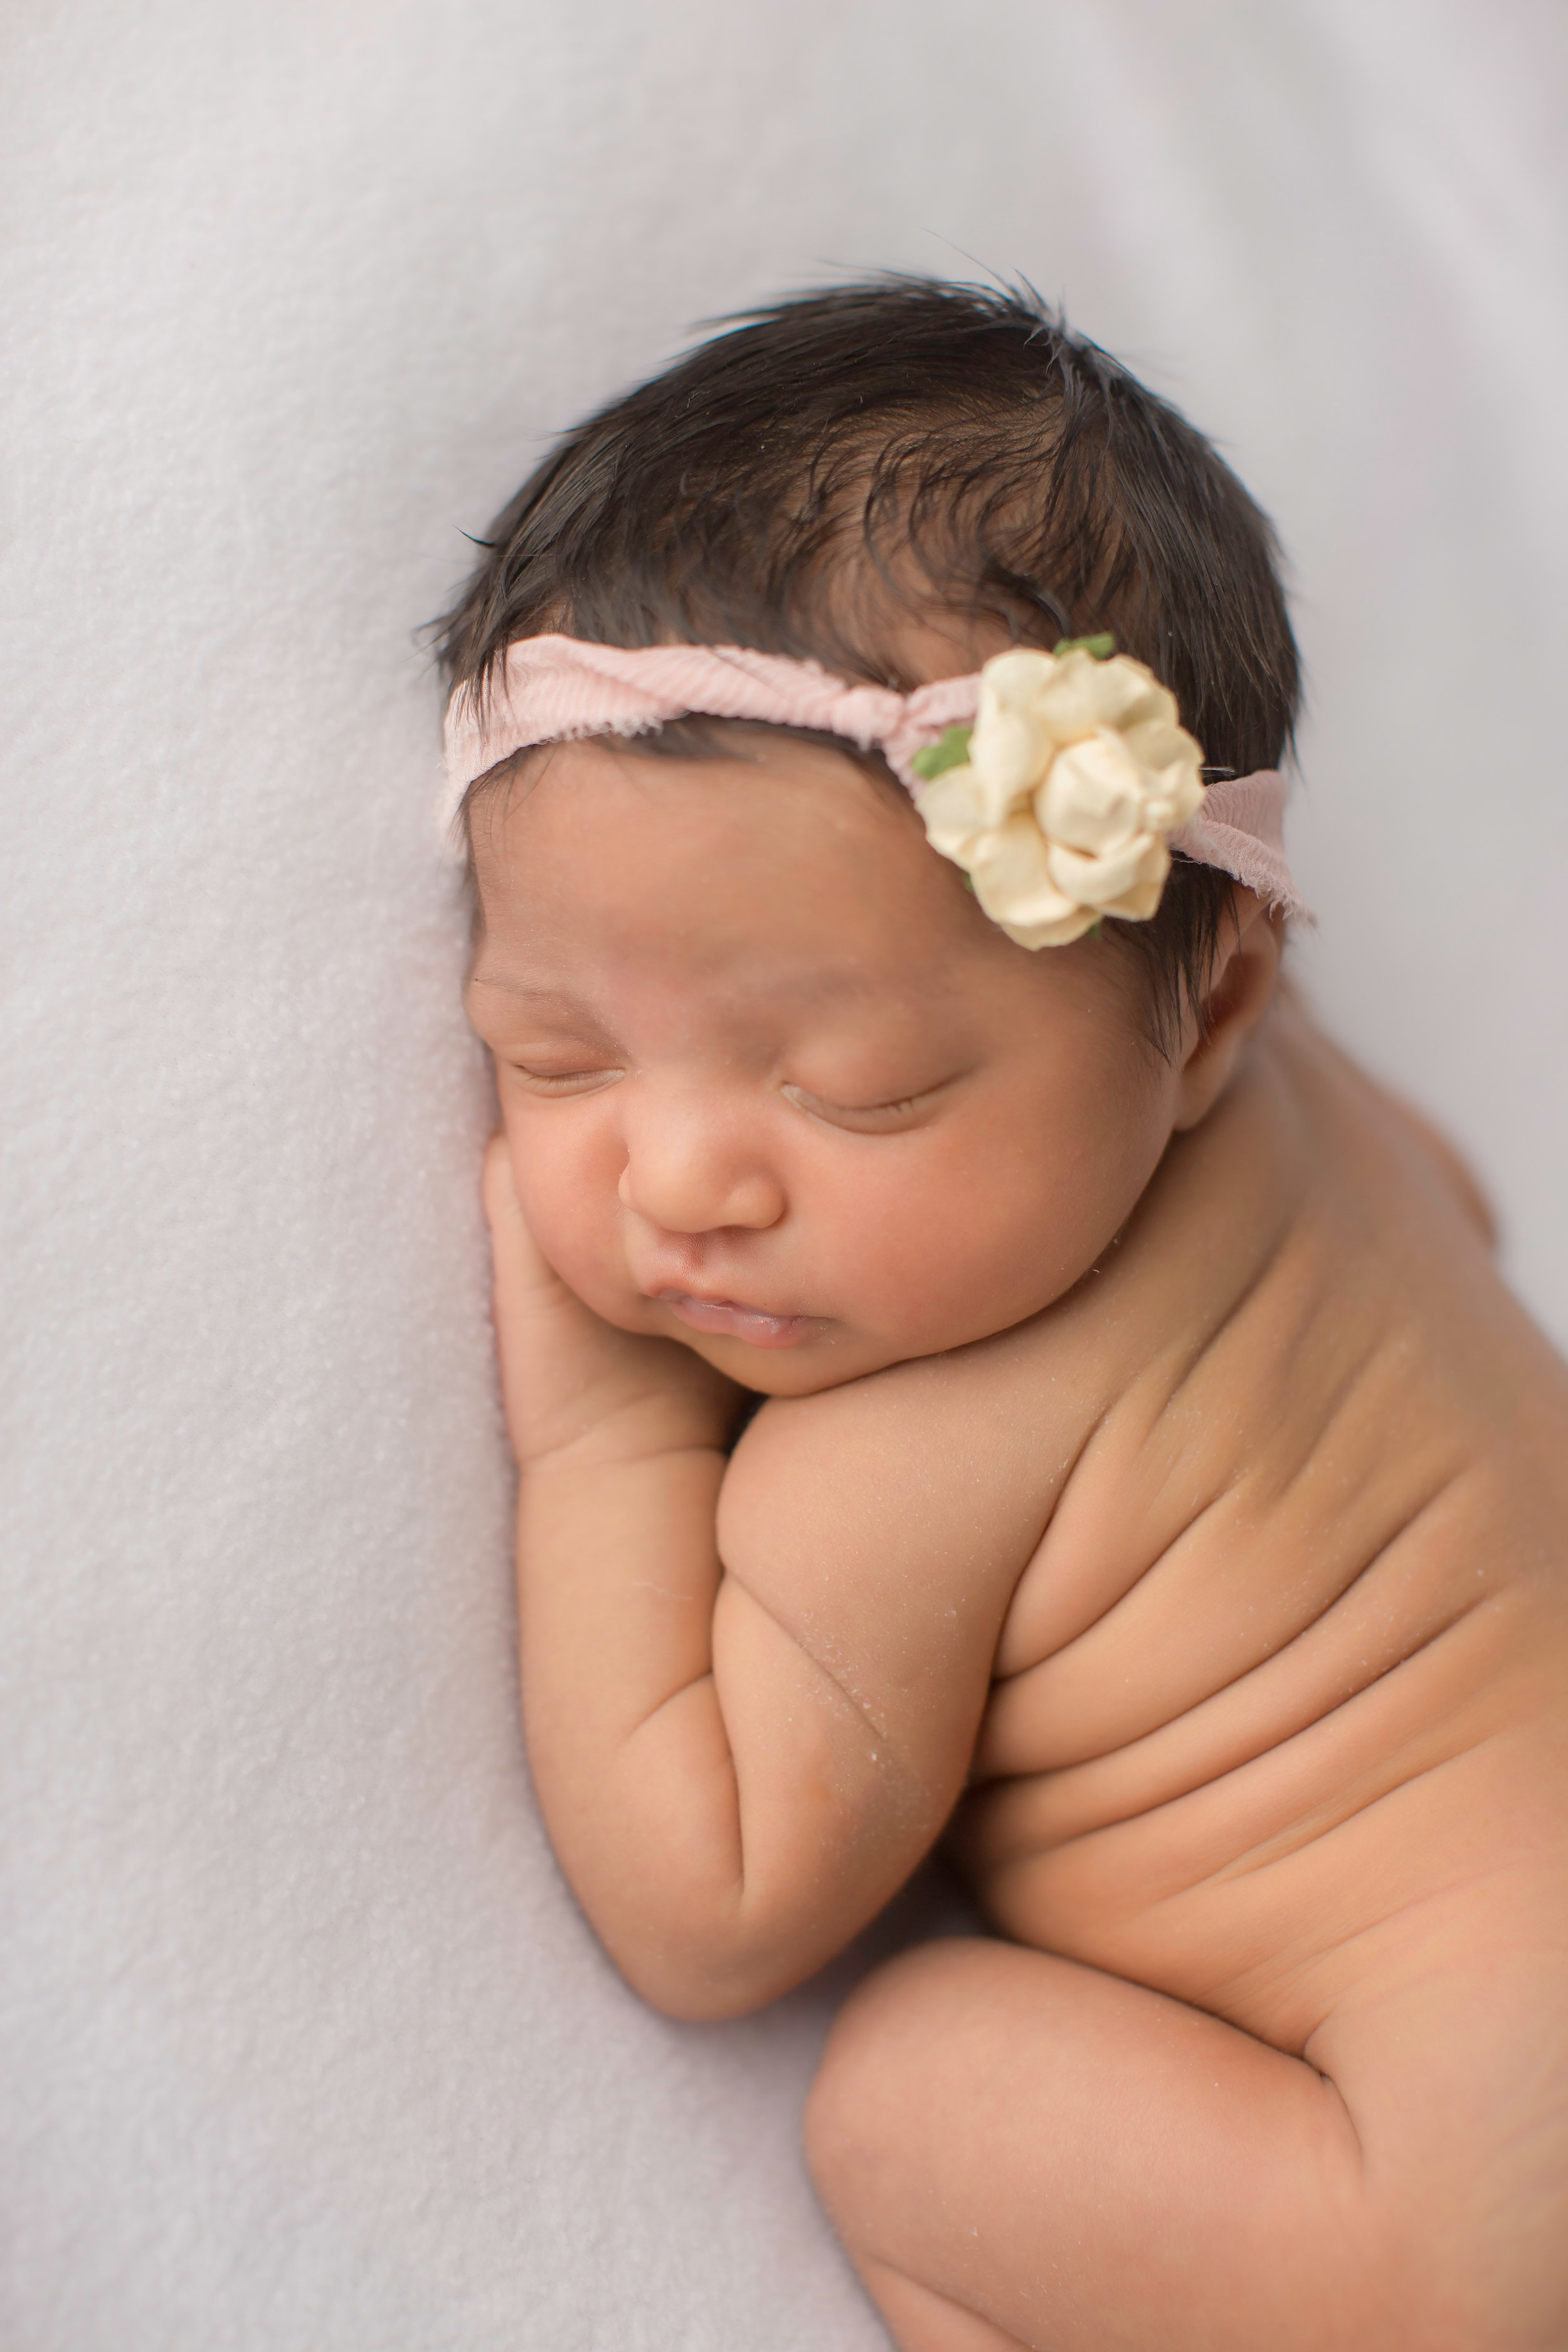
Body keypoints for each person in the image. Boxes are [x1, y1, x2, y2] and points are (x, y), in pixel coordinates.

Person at [436, 279, 1568, 2351]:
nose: (679, 1183)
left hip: (1467, 2211)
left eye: (855, 1090)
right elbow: (1474, 1215)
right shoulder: (1297, 1090)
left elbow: (711, 1912)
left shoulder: (908, 1454)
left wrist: (606, 1438)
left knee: (906, 2085)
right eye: (557, 1056)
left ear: (1204, 997)